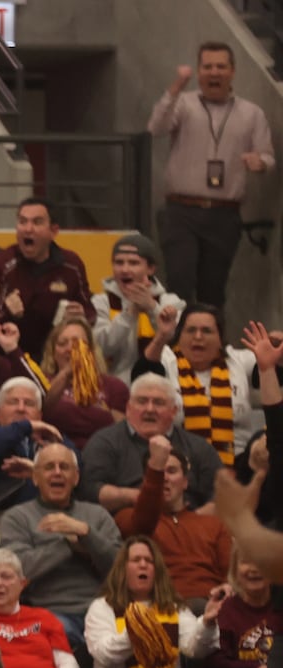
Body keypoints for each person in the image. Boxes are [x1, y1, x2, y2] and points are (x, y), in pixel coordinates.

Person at [148, 42, 274, 307]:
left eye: (220, 66)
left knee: (213, 291)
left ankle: (212, 346)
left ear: (232, 71)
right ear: (198, 70)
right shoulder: (183, 103)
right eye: (207, 67)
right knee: (179, 284)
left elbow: (268, 156)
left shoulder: (252, 113)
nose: (214, 72)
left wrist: (259, 162)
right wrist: (176, 87)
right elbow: (156, 127)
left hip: (224, 214)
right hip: (181, 211)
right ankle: (175, 346)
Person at [82, 536, 221, 668]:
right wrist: (139, 631)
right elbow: (103, 653)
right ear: (122, 569)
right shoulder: (102, 607)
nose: (143, 565)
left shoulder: (174, 608)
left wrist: (207, 621)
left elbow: (195, 649)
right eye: (136, 560)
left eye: (149, 561)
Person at [0, 442, 124, 651]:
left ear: (76, 477)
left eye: (64, 467)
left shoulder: (97, 515)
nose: (57, 473)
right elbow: (19, 571)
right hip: (50, 612)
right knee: (60, 633)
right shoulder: (17, 517)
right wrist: (68, 542)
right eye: (49, 467)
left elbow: (121, 569)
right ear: (35, 478)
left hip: (103, 611)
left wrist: (86, 533)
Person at [80, 373, 224, 513]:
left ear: (174, 411)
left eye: (159, 403)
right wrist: (145, 496)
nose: (150, 409)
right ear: (128, 409)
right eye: (142, 401)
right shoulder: (104, 442)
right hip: (126, 527)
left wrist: (190, 524)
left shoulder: (198, 447)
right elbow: (90, 490)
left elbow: (221, 496)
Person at [139, 303, 259, 469]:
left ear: (220, 337)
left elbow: (276, 373)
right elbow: (142, 375)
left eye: (207, 331)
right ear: (179, 335)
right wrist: (161, 337)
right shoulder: (166, 358)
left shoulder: (237, 360)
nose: (198, 336)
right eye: (190, 330)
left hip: (237, 463)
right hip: (179, 464)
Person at [113, 434, 231, 602]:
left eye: (172, 471)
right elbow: (142, 527)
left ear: (185, 482)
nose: (164, 478)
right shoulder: (127, 517)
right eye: (159, 472)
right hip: (160, 606)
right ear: (146, 480)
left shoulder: (213, 524)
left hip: (211, 605)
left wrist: (226, 591)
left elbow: (231, 575)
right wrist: (156, 468)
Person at [0, 198, 96, 359]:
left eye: (37, 222)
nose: (28, 229)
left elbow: (91, 313)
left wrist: (82, 316)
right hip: (11, 355)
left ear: (53, 231)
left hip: (58, 356)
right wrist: (7, 312)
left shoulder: (72, 265)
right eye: (22, 222)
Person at [0, 377, 71, 524]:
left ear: (40, 416)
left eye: (29, 403)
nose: (21, 408)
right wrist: (25, 427)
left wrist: (38, 471)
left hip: (52, 519)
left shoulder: (55, 440)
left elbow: (76, 469)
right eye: (13, 402)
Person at [200, 551, 280, 668]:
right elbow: (214, 665)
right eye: (245, 562)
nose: (253, 568)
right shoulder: (224, 610)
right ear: (235, 570)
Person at [91, 232, 186, 382]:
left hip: (162, 385)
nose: (124, 269)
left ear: (151, 269)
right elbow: (99, 348)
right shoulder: (100, 302)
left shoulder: (171, 302)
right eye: (119, 262)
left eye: (133, 263)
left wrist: (152, 307)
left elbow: (177, 345)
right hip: (113, 387)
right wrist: (130, 312)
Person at [40, 320, 128, 451]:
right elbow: (42, 410)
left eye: (77, 343)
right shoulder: (41, 381)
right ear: (53, 352)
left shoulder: (113, 386)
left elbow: (121, 433)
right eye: (62, 344)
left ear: (91, 351)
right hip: (54, 451)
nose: (70, 349)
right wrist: (66, 374)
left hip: (100, 453)